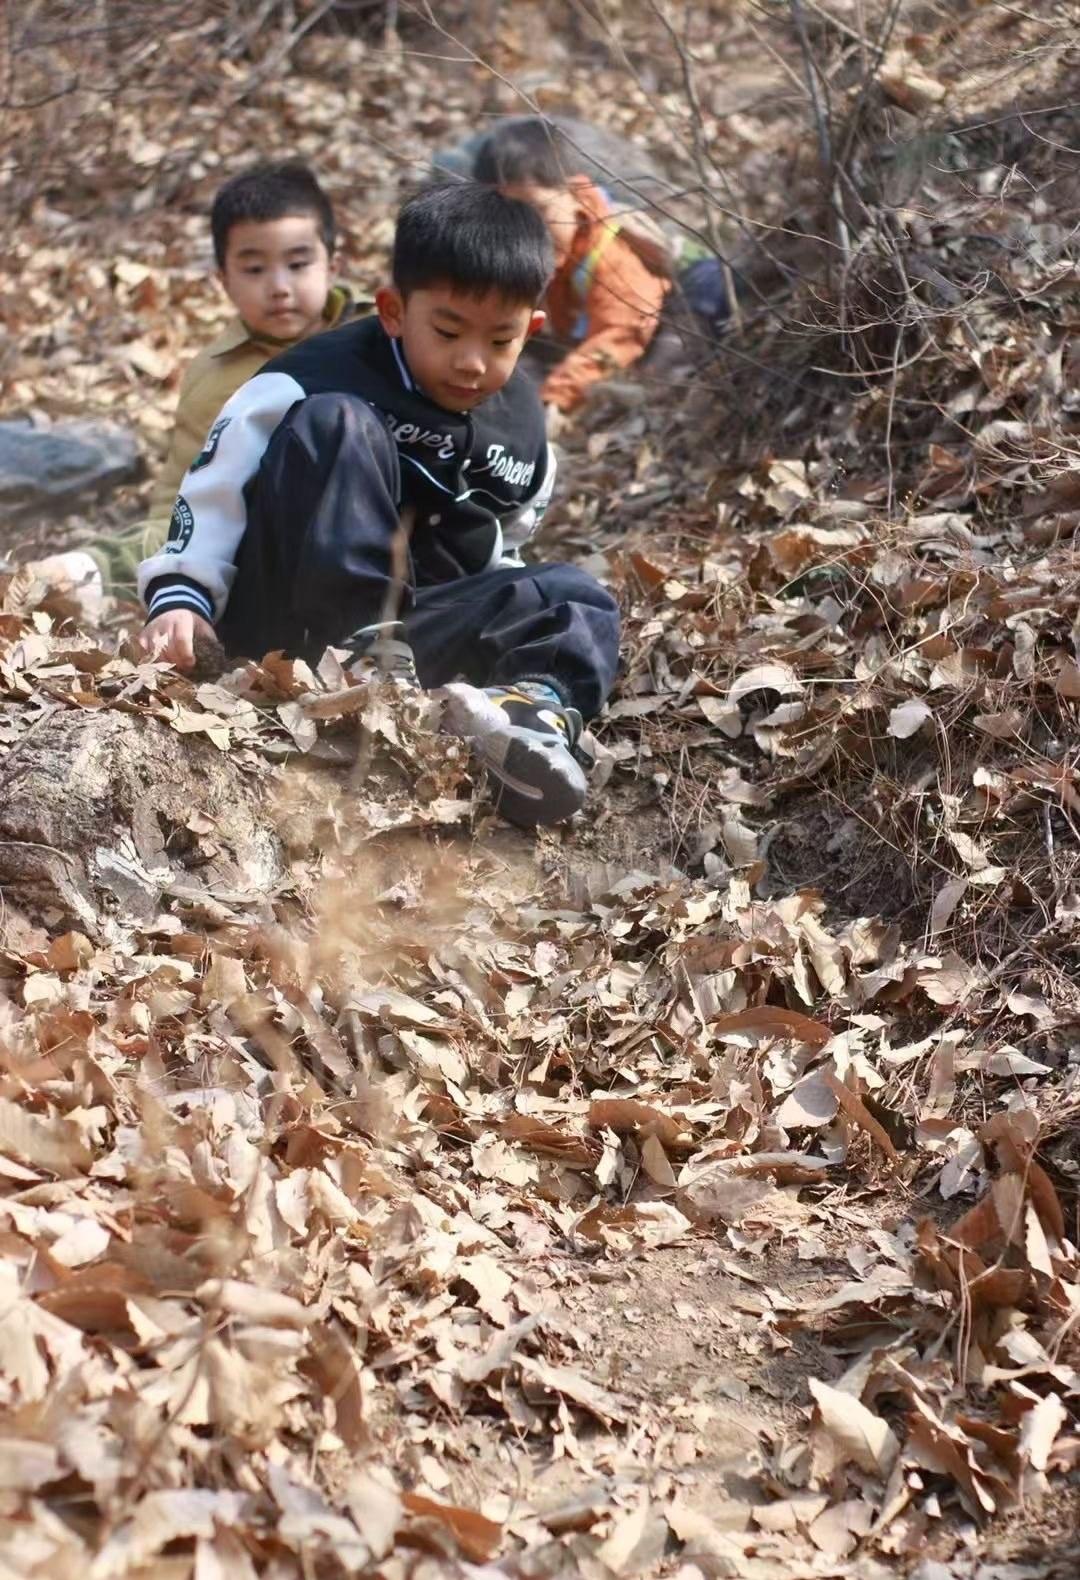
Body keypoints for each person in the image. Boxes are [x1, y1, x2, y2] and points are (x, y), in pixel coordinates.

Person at [136, 182, 621, 828]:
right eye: (447, 331)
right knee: (340, 424)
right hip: (287, 624)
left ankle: (523, 720)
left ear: (530, 331)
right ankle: (369, 664)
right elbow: (213, 492)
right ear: (393, 311)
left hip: (416, 640)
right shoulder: (310, 379)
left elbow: (504, 547)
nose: (472, 362)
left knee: (577, 596)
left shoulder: (523, 428)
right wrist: (181, 596)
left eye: (500, 341)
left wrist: (502, 614)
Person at [41, 159, 370, 605]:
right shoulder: (214, 378)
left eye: (297, 264)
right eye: (254, 270)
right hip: (264, 553)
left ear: (334, 264)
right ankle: (82, 574)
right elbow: (183, 505)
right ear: (223, 281)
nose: (279, 286)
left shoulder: (381, 340)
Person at [473, 118, 730, 423]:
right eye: (508, 216)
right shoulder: (533, 249)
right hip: (590, 323)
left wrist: (555, 397)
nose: (525, 228)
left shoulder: (612, 248)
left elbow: (619, 333)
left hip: (673, 310)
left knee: (666, 363)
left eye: (539, 211)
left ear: (572, 192)